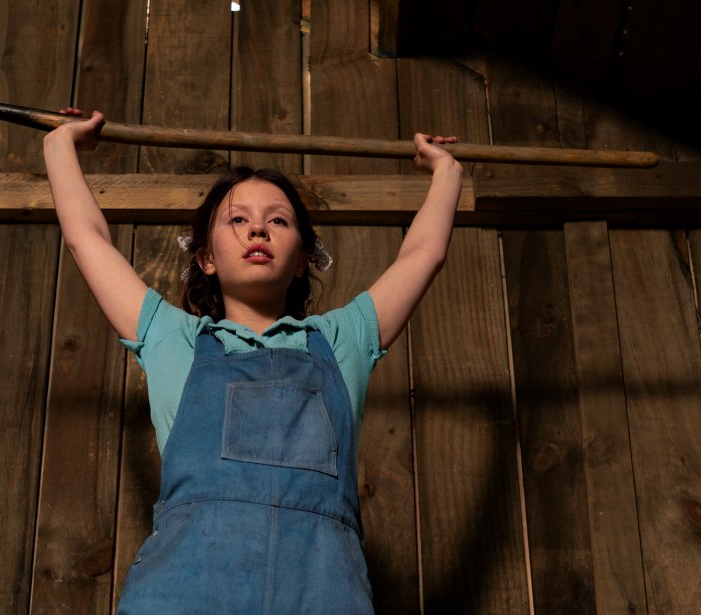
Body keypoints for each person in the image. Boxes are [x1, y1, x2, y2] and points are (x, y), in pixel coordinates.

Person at [43, 109, 462, 614]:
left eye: (278, 220)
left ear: (304, 256)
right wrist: (61, 144)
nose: (258, 230)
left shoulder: (342, 340)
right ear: (206, 257)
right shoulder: (173, 339)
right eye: (237, 220)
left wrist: (446, 171)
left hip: (323, 596)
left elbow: (423, 254)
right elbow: (86, 237)